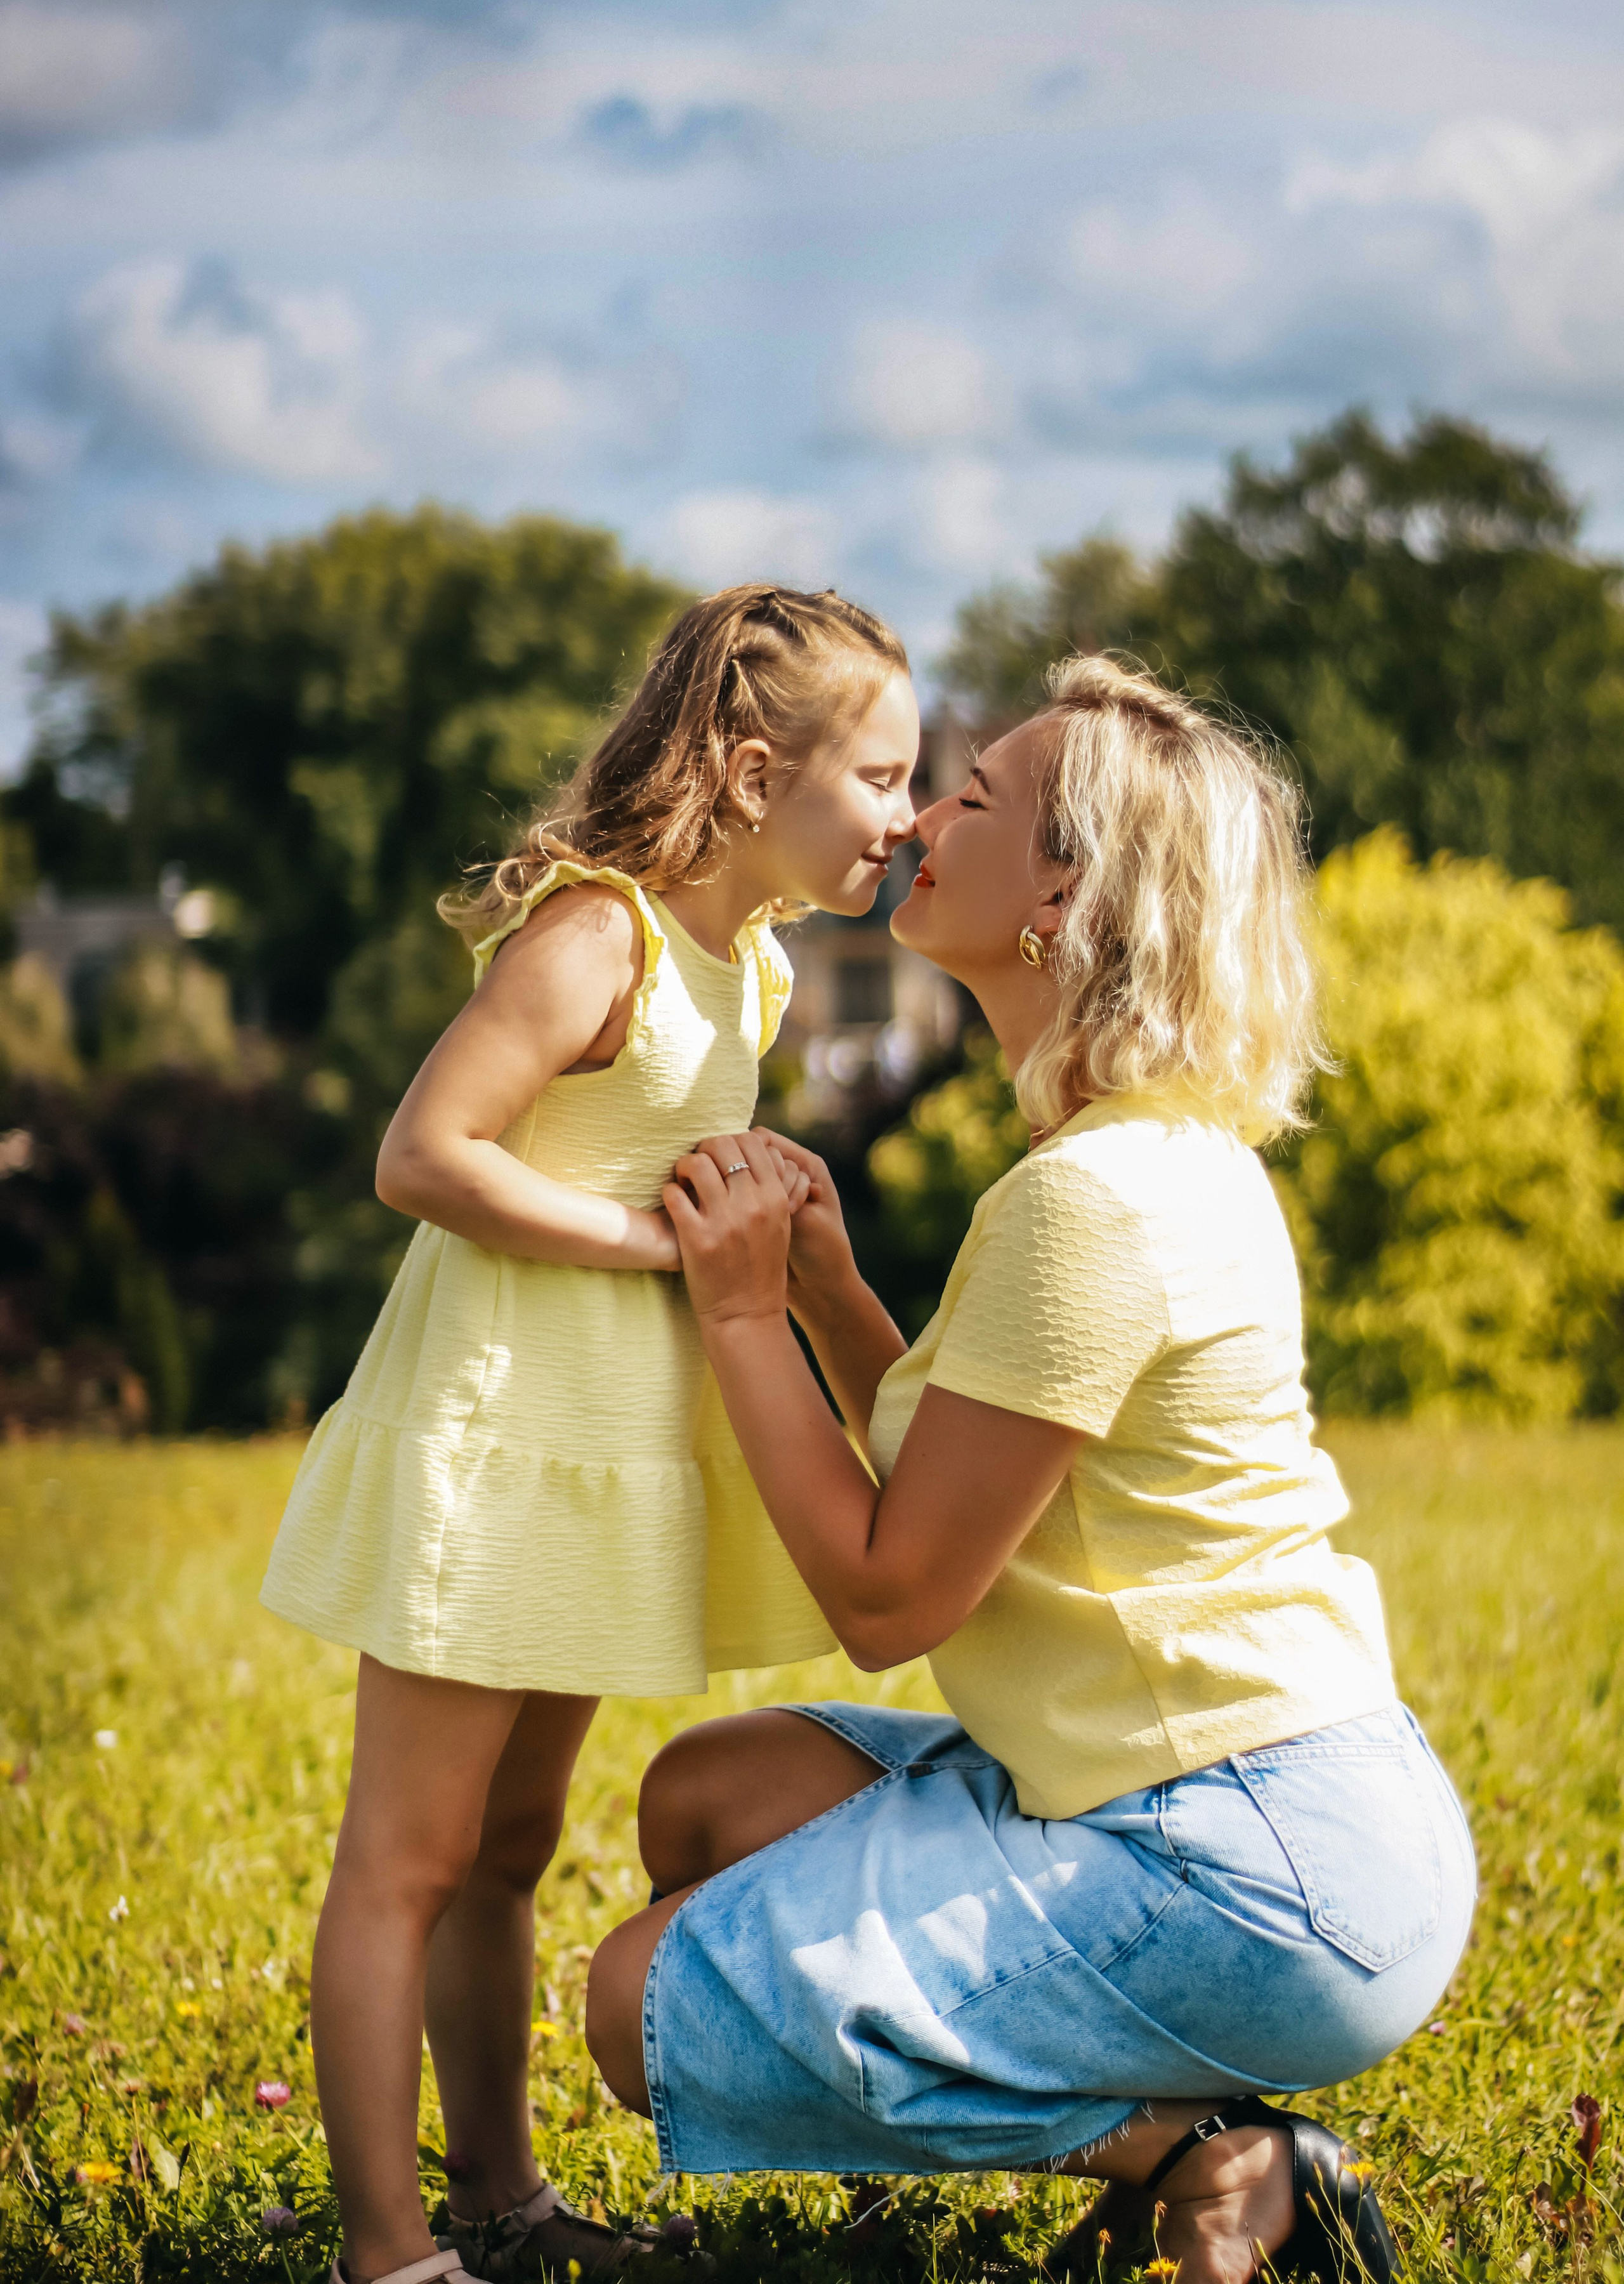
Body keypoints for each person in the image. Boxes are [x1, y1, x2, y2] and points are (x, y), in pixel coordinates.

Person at [585, 655, 1476, 2284]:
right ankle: (1175, 2125)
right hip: (1256, 1814)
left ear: (1064, 890)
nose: (920, 813)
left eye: (973, 797)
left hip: (1255, 1866)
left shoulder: (1095, 1204)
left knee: (637, 2002)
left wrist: (733, 1318)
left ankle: (1205, 2156)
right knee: (703, 1801)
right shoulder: (1142, 1157)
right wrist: (834, 1297)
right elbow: (968, 1495)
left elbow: (887, 1590)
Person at [259, 585, 920, 2284]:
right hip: (493, 1445)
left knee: (511, 1848)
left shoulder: (751, 975)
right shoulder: (599, 937)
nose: (908, 822)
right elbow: (424, 1155)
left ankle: (501, 2201)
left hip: (596, 1460)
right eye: (885, 779)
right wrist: (655, 1246)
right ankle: (390, 2255)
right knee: (404, 1858)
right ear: (759, 770)